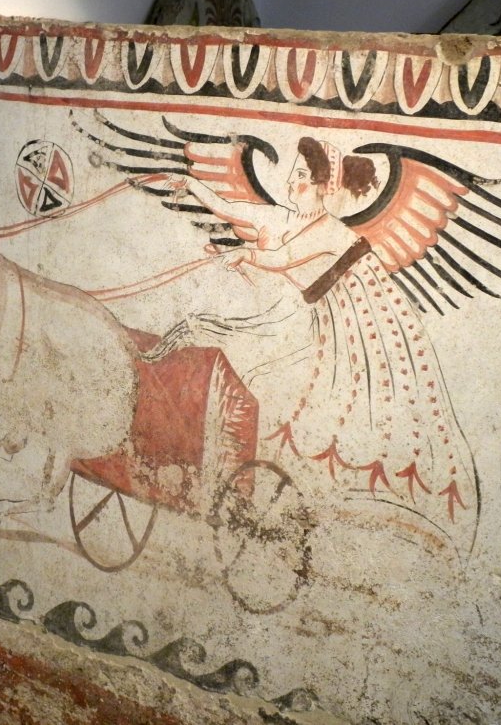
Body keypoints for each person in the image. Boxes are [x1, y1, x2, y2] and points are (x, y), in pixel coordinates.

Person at [170, 137, 478, 552]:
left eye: (300, 176)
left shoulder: (329, 230)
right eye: (292, 174)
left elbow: (283, 259)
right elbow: (229, 208)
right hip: (311, 321)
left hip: (351, 331)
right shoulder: (284, 217)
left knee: (321, 400)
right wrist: (189, 184)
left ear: (322, 187)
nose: (289, 184)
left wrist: (246, 255)